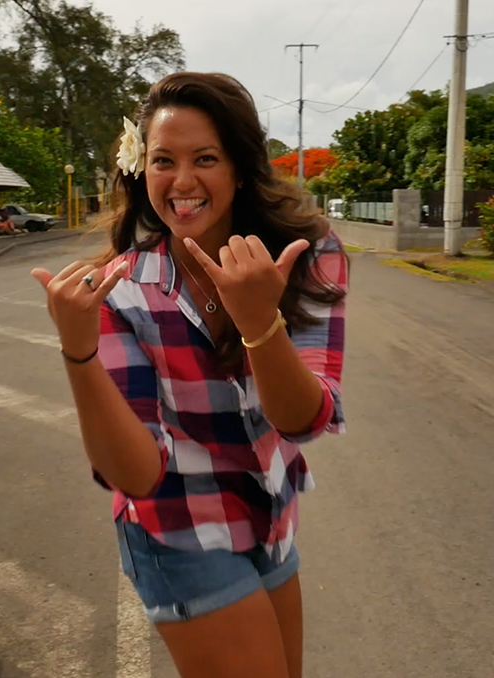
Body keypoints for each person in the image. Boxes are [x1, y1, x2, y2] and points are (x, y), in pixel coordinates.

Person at [31, 72, 348, 678]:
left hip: (269, 517)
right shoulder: (124, 288)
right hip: (177, 532)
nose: (182, 182)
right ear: (139, 170)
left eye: (205, 158)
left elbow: (306, 419)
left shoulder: (304, 254)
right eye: (162, 161)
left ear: (238, 166)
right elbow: (137, 475)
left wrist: (260, 324)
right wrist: (79, 352)